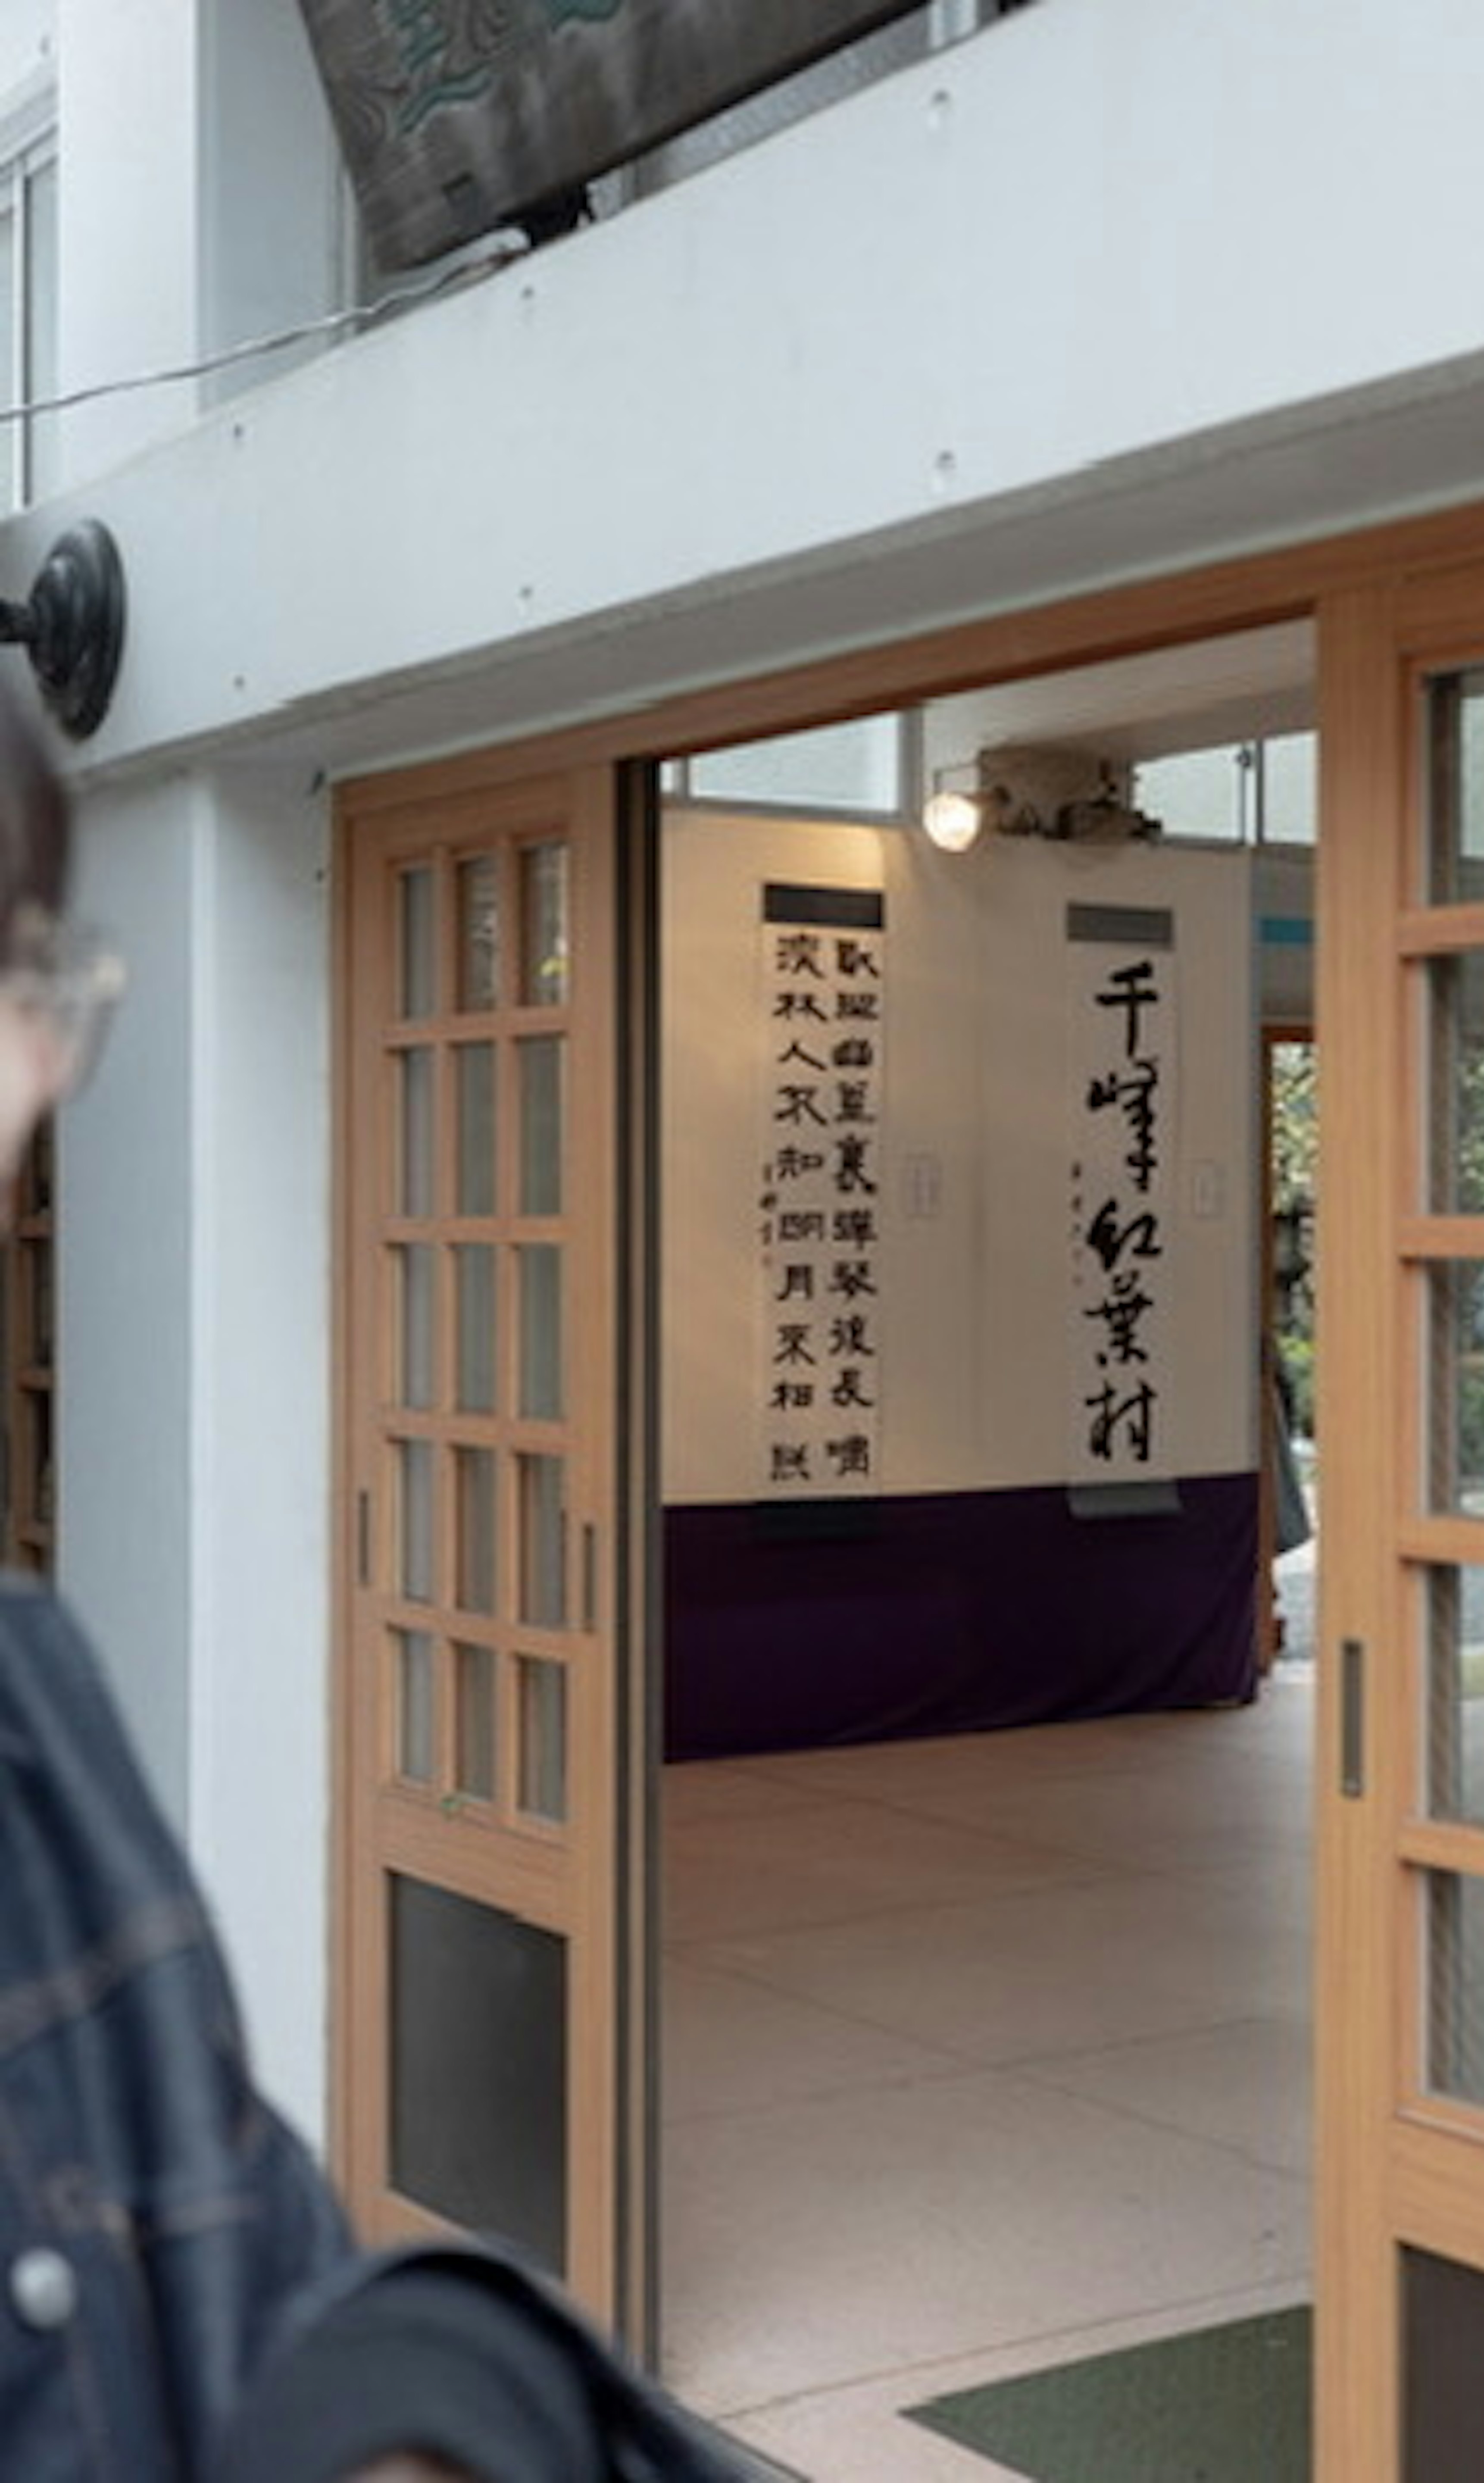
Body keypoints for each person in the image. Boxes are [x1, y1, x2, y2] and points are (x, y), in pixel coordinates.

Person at [0, 675, 743, 2482]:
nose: (26, 1091)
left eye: (32, 992)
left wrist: (428, 2416)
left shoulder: (35, 1703)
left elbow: (251, 2264)